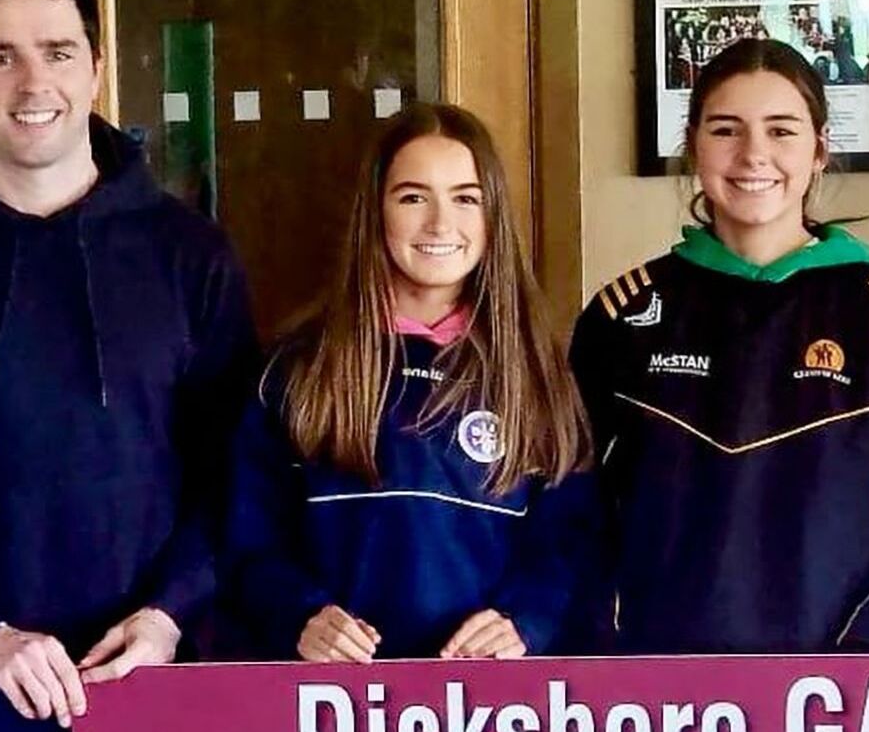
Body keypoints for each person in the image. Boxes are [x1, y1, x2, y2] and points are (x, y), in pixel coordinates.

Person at [0, 0, 256, 732]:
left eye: (58, 52)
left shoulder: (191, 256)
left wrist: (169, 613)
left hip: (148, 680)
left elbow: (237, 471)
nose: (33, 83)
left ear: (98, 68)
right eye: (0, 57)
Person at [569, 38, 869, 654]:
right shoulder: (622, 316)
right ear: (692, 145)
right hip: (651, 689)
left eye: (781, 131)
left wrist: (868, 665)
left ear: (819, 150)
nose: (753, 155)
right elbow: (564, 509)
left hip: (834, 689)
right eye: (725, 130)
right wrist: (606, 656)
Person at [226, 103, 597, 661]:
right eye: (413, 198)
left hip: (487, 695)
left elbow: (570, 539)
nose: (440, 224)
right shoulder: (298, 368)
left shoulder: (535, 373)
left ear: (493, 215)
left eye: (466, 198)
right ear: (375, 211)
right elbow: (248, 540)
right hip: (335, 695)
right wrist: (298, 615)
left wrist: (526, 620)